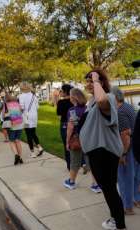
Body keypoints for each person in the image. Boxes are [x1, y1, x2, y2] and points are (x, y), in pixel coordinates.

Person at [79, 69, 126, 230]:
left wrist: (96, 79)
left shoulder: (109, 98)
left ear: (101, 81)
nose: (89, 83)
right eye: (88, 80)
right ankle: (116, 219)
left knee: (110, 189)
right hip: (96, 152)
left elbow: (101, 100)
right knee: (107, 189)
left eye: (91, 80)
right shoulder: (91, 101)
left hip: (104, 152)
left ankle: (120, 224)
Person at [64, 88, 101, 193]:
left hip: (76, 139)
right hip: (89, 138)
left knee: (75, 161)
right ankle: (96, 184)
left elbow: (70, 127)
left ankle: (71, 182)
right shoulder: (88, 108)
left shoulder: (71, 111)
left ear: (73, 98)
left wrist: (67, 141)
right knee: (91, 162)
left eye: (70, 96)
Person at [111, 86, 137, 215]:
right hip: (134, 147)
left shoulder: (119, 111)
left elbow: (125, 134)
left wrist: (123, 154)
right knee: (133, 176)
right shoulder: (128, 106)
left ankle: (127, 207)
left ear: (114, 97)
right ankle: (135, 201)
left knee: (125, 178)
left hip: (127, 149)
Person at [19, 82, 44, 158]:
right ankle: (39, 147)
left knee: (28, 135)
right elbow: (37, 107)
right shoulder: (34, 96)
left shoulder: (21, 96)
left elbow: (22, 108)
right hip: (34, 116)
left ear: (22, 88)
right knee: (33, 133)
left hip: (26, 118)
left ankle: (32, 152)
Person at [57, 84, 73, 170]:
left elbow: (59, 116)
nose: (60, 92)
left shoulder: (60, 102)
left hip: (64, 124)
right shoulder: (74, 101)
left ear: (65, 92)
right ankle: (83, 163)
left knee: (66, 144)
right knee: (77, 142)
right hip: (75, 123)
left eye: (61, 91)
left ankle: (69, 165)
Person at [5, 94, 24, 165]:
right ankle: (20, 157)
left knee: (12, 141)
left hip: (11, 125)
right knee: (18, 140)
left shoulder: (6, 105)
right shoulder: (17, 104)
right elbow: (21, 111)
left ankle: (16, 154)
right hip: (19, 124)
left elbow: (3, 115)